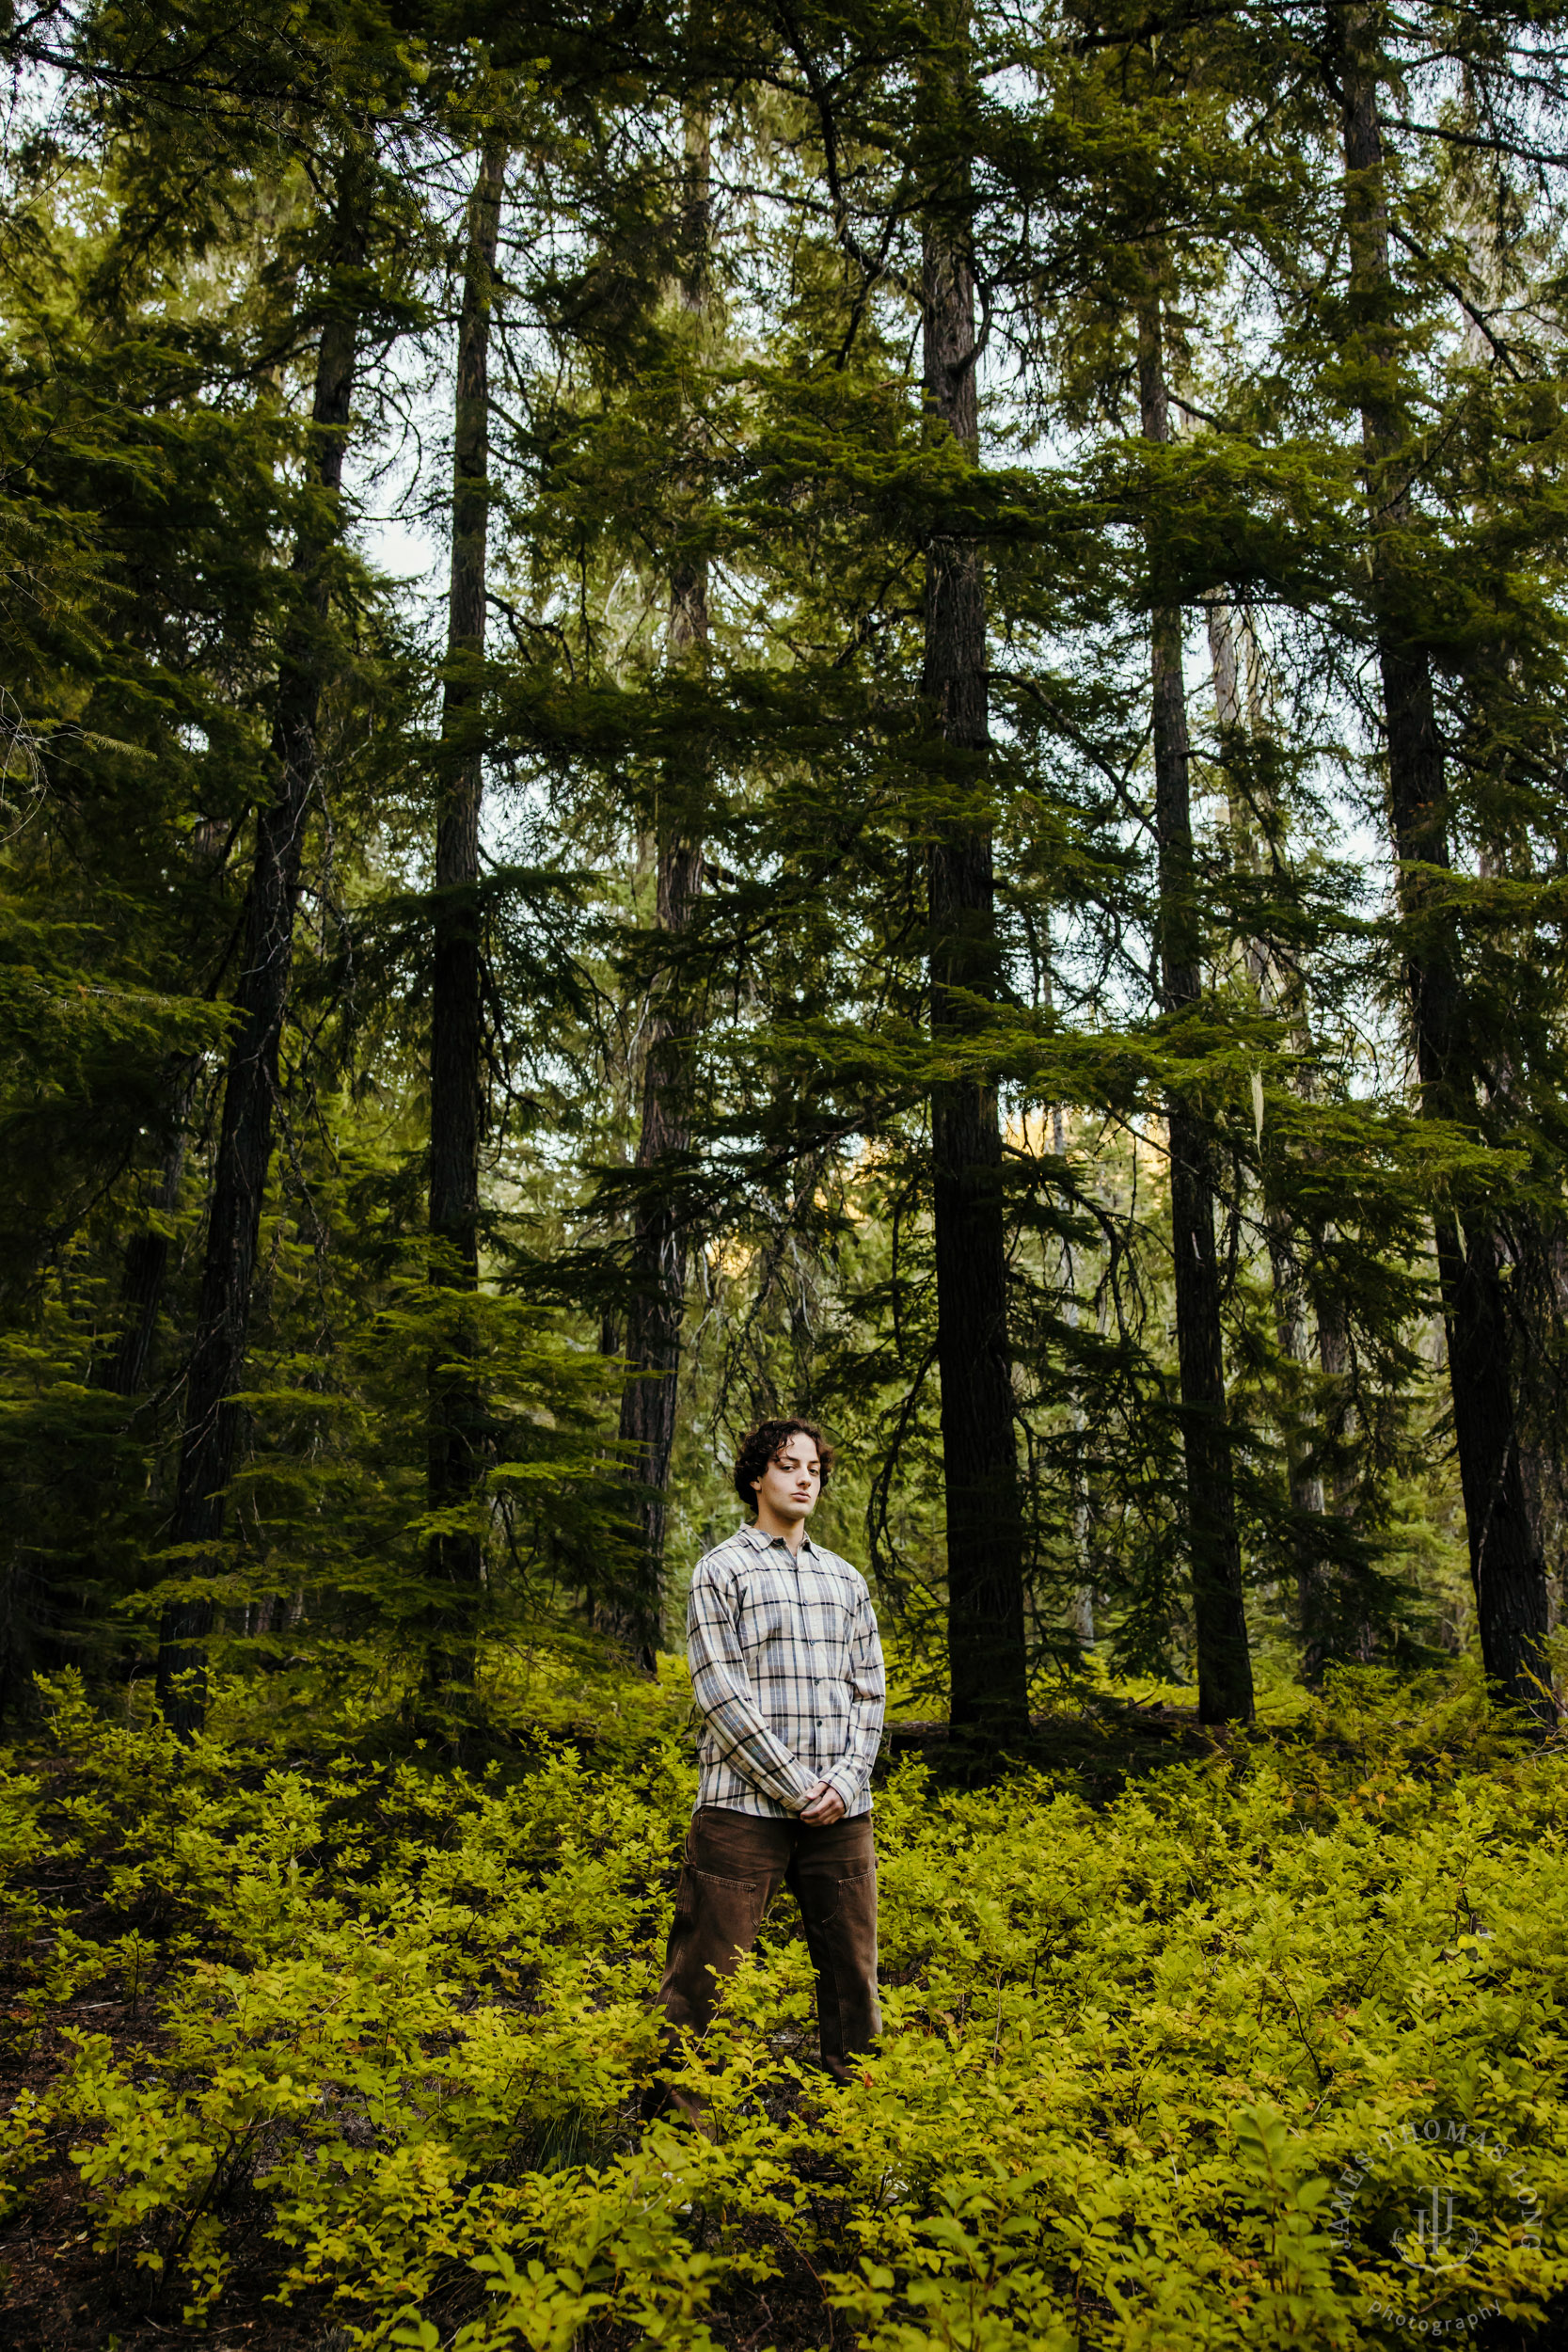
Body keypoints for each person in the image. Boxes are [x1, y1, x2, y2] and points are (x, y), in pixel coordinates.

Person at [643, 1417, 886, 2118]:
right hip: (739, 1812)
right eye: (787, 1465)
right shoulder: (721, 1570)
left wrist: (842, 1783)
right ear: (757, 1477)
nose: (804, 1477)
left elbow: (868, 1691)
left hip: (843, 1814)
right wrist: (795, 1786)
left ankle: (865, 2128)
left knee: (853, 1979)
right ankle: (677, 2145)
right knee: (702, 1979)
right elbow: (720, 1690)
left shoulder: (845, 1579)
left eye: (813, 1467)